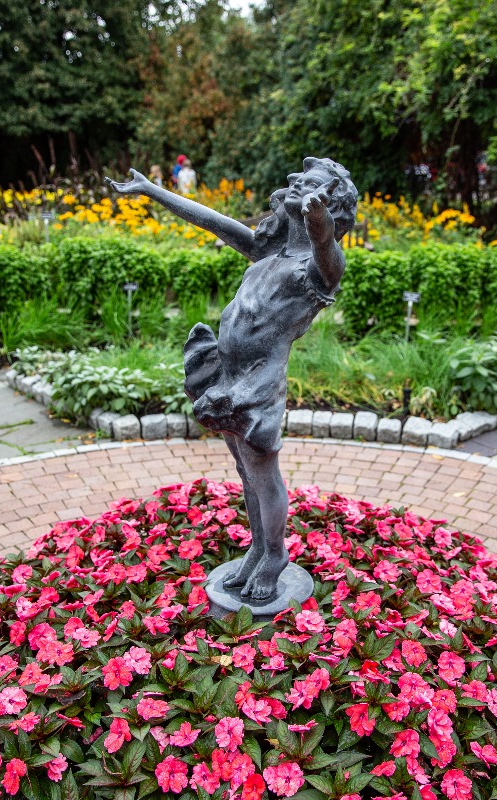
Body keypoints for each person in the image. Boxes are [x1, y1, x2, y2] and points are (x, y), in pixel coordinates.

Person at [106, 157, 358, 600]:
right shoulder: (270, 251)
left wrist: (319, 224)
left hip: (258, 382)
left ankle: (275, 554)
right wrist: (152, 191)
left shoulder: (320, 268)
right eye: (298, 179)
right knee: (245, 470)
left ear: (331, 203)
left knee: (263, 472)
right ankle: (259, 547)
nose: (297, 182)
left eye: (313, 184)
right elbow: (213, 221)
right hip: (227, 373)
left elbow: (326, 248)